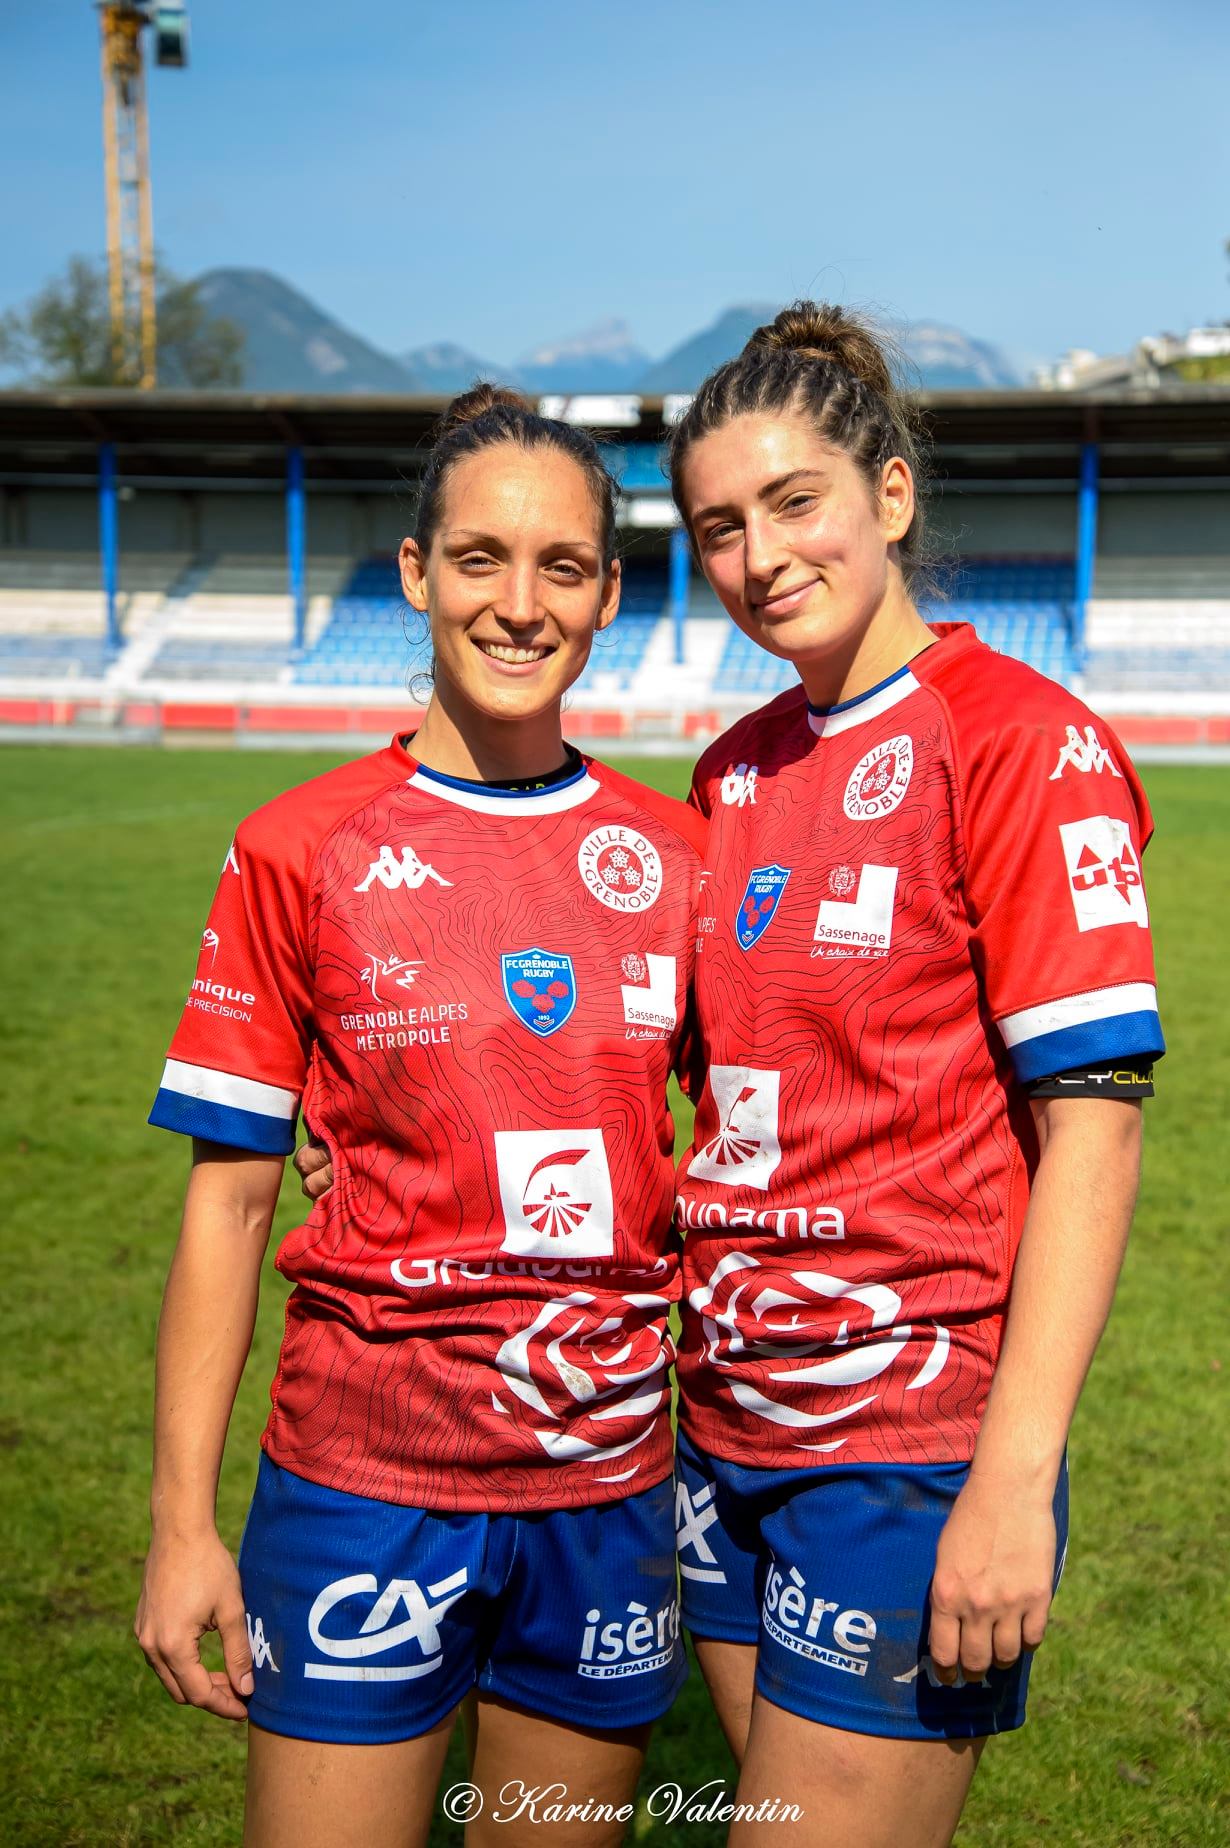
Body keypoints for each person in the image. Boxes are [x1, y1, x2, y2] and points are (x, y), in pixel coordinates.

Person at [135, 385, 707, 1848]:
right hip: (359, 1483)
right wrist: (181, 1526)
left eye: (561, 567)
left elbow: (760, 1143)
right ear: (414, 573)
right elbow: (231, 1199)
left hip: (603, 1487)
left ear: (608, 594)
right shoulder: (295, 849)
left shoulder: (679, 856)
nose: (519, 606)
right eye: (478, 559)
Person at [664, 303, 1164, 1845]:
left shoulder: (1020, 744)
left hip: (905, 1443)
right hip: (717, 1425)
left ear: (887, 495)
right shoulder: (732, 769)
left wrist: (1011, 1481)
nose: (760, 559)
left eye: (793, 503)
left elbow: (1091, 1136)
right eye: (718, 529)